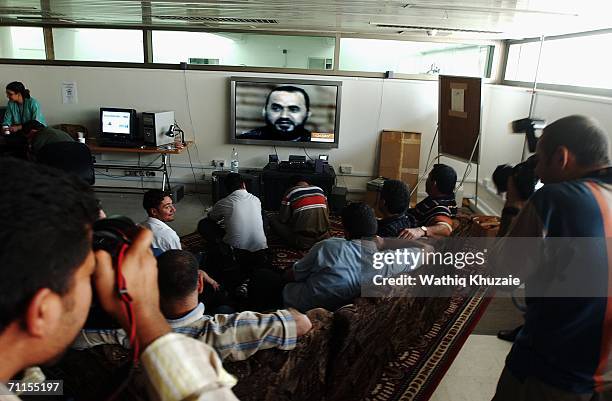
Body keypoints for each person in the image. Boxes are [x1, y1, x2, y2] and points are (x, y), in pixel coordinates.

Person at [0, 157, 238, 400]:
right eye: (89, 276)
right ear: (43, 312)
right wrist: (145, 317)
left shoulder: (27, 384)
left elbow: (36, 388)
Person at [491, 115, 612, 401]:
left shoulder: (553, 200)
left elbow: (503, 273)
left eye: (540, 160)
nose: (539, 175)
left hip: (549, 378)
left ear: (561, 157)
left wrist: (513, 207)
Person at [73, 250, 312, 362]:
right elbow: (302, 323)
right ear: (199, 283)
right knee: (226, 307)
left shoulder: (121, 331)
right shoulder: (227, 331)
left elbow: (75, 338)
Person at [283, 202, 410, 313]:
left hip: (298, 305)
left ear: (346, 232)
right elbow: (426, 250)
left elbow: (293, 275)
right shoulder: (389, 262)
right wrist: (386, 243)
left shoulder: (328, 247)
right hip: (337, 309)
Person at [399, 164, 458, 239]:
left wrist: (421, 230)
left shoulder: (441, 207)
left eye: (428, 178)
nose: (426, 180)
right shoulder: (447, 199)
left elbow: (446, 228)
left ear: (434, 184)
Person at [270, 175, 330, 249]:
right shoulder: (320, 190)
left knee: (272, 218)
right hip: (324, 238)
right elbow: (327, 213)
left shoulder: (291, 192)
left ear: (292, 185)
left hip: (303, 241)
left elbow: (283, 219)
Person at [237, 86, 312, 142]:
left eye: (293, 109)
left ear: (308, 114)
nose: (284, 116)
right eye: (276, 108)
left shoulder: (314, 141)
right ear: (264, 111)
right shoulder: (246, 139)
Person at [140, 189, 182, 253]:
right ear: (154, 212)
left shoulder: (138, 227)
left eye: (172, 205)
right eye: (167, 207)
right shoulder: (169, 235)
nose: (174, 209)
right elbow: (179, 259)